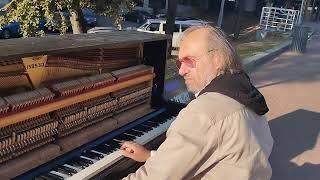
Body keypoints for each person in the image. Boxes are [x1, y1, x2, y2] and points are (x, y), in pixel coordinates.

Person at [120, 25, 274, 180]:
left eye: (189, 61)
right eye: (180, 63)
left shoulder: (205, 111)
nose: (181, 71)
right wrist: (152, 156)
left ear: (218, 59)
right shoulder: (245, 94)